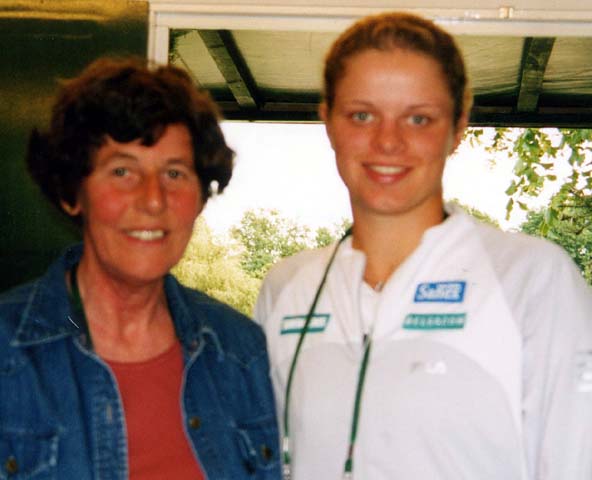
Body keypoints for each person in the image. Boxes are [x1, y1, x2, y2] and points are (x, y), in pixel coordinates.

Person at [255, 12, 592, 480]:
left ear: (457, 127)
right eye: (361, 115)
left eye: (418, 118)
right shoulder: (286, 287)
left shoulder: (532, 279)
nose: (387, 141)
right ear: (327, 120)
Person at [0, 57, 280, 479]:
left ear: (200, 199)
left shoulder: (239, 352)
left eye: (174, 172)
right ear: (72, 193)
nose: (153, 199)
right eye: (122, 171)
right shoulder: (8, 353)